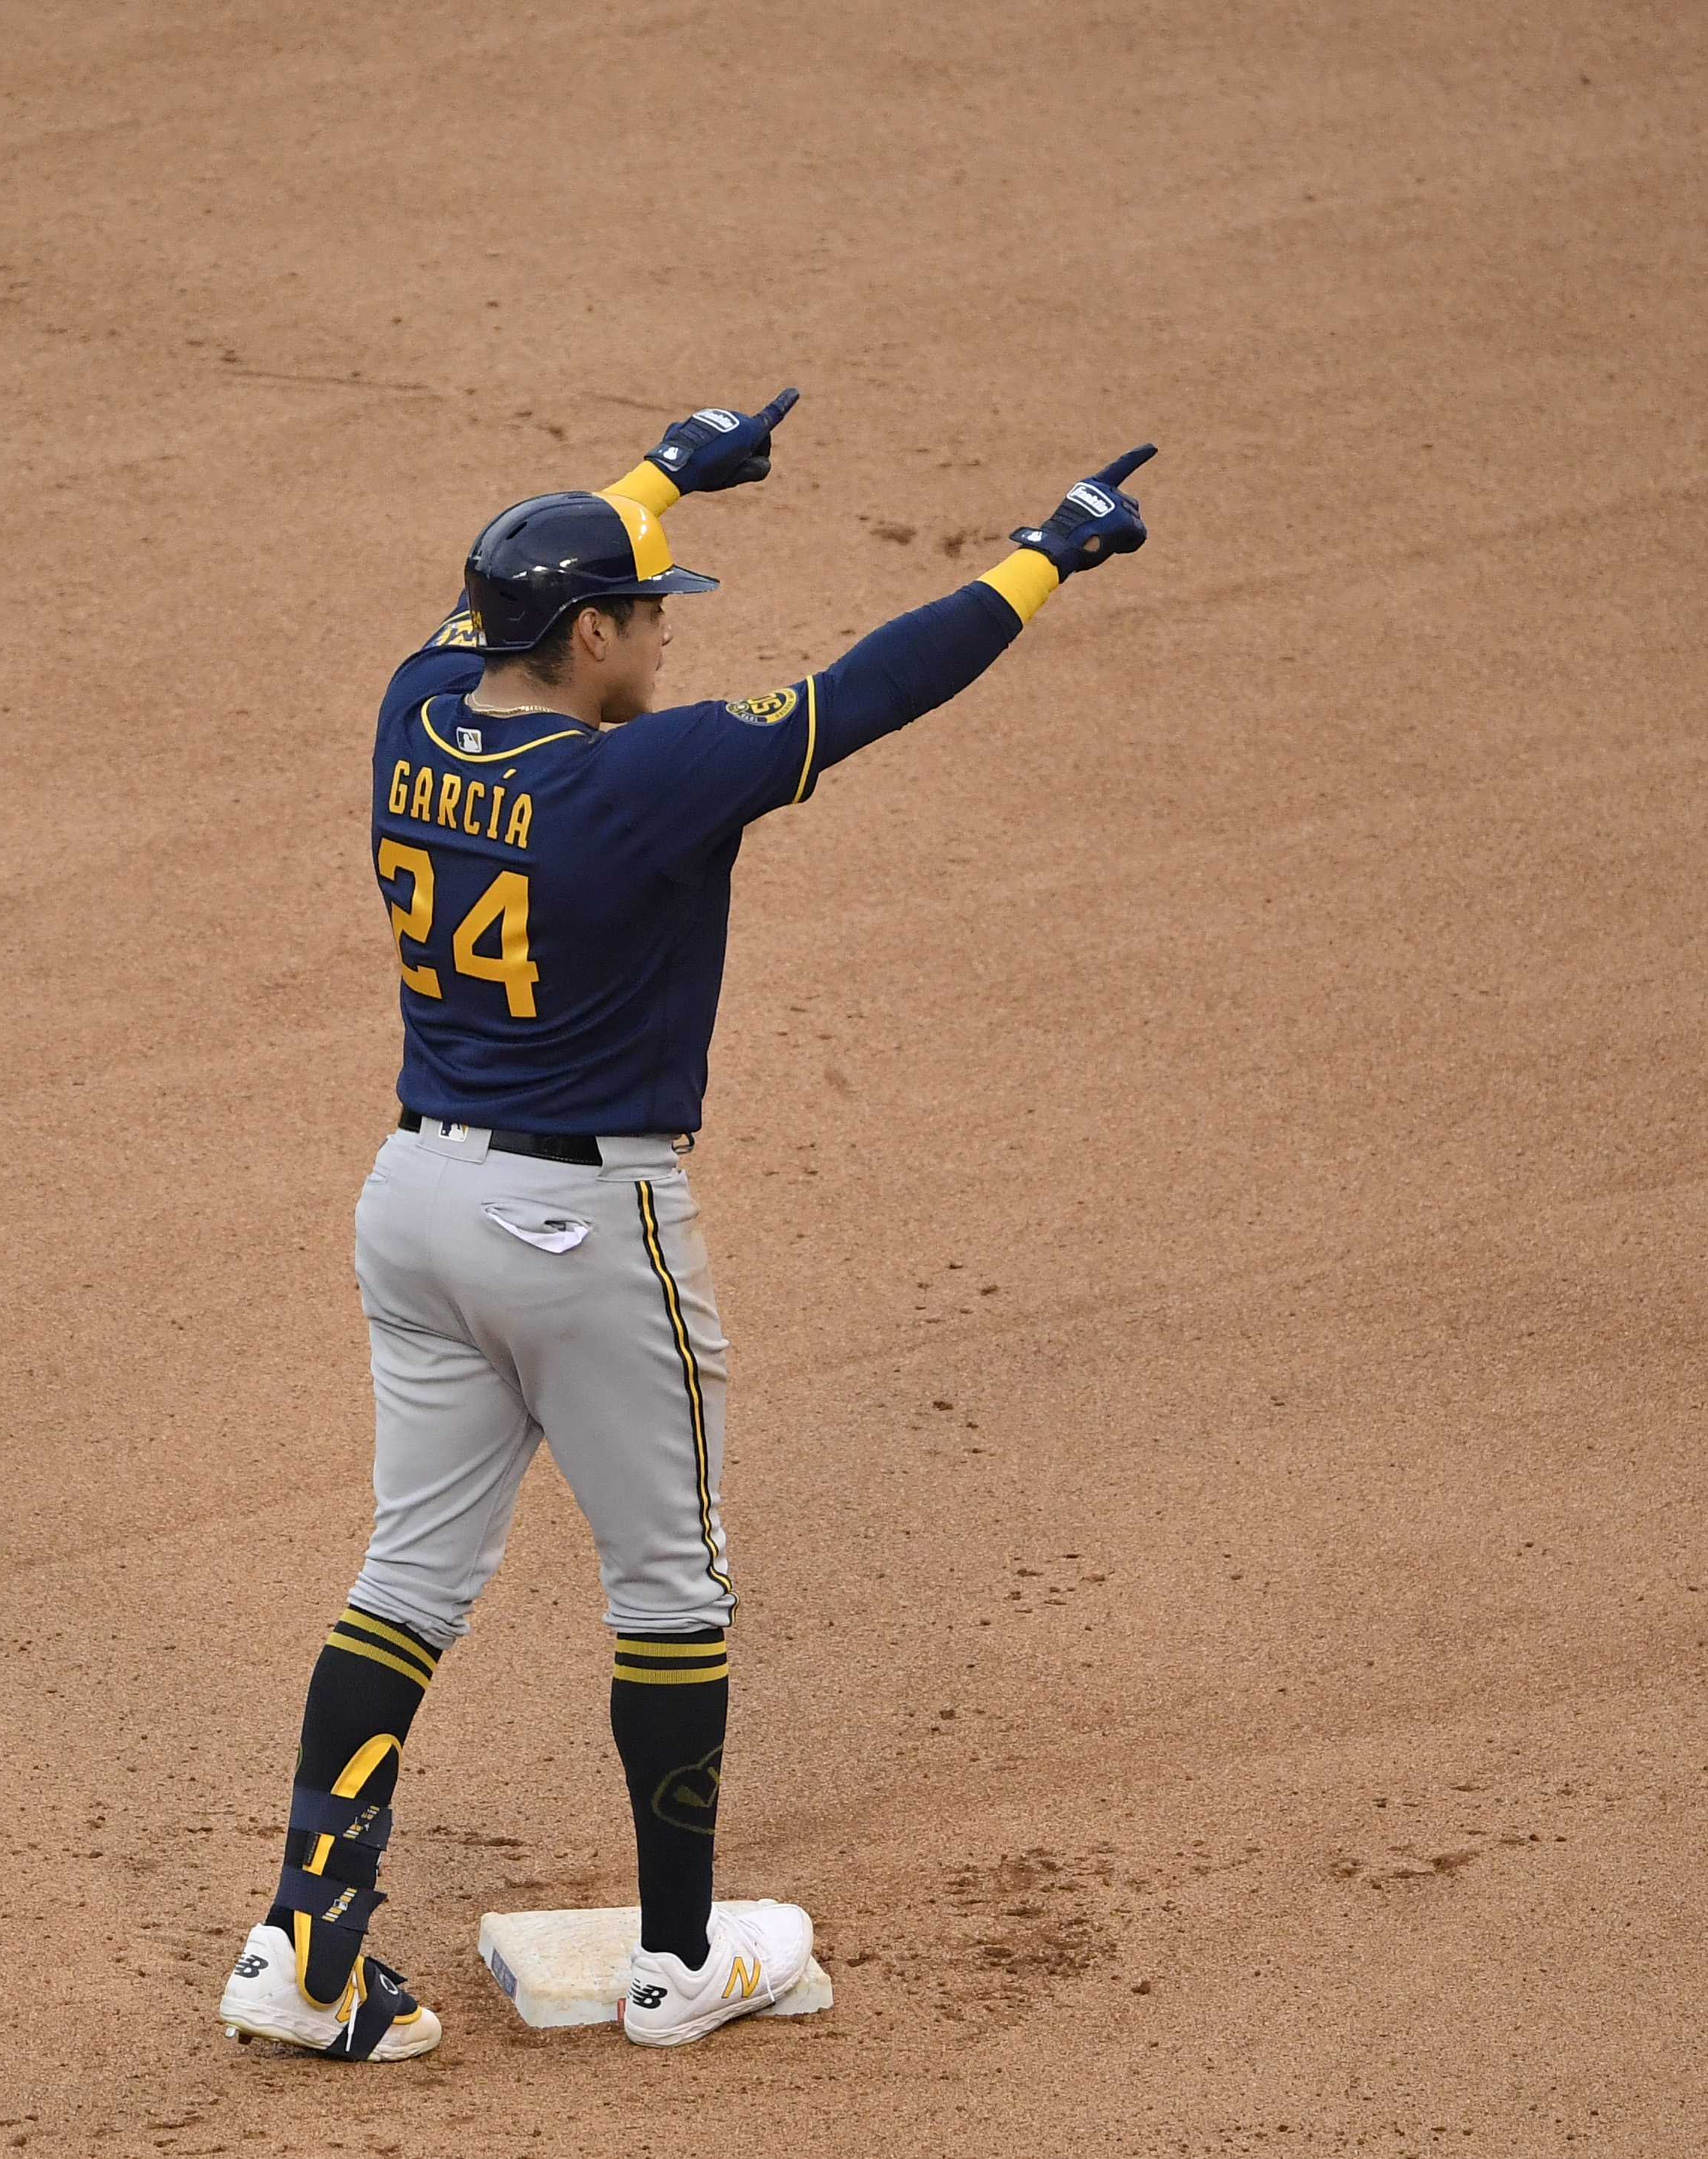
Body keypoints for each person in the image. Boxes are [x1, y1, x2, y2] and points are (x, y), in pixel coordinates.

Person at [214, 393, 1156, 2058]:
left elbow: (477, 603)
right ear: (591, 633)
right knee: (672, 1585)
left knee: (406, 1576)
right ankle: (671, 1964)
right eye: (648, 607)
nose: (661, 630)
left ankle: (301, 1952)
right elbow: (874, 687)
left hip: (413, 1204)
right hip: (580, 1222)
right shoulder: (642, 780)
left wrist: (657, 471)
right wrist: (1047, 556)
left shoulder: (414, 710)